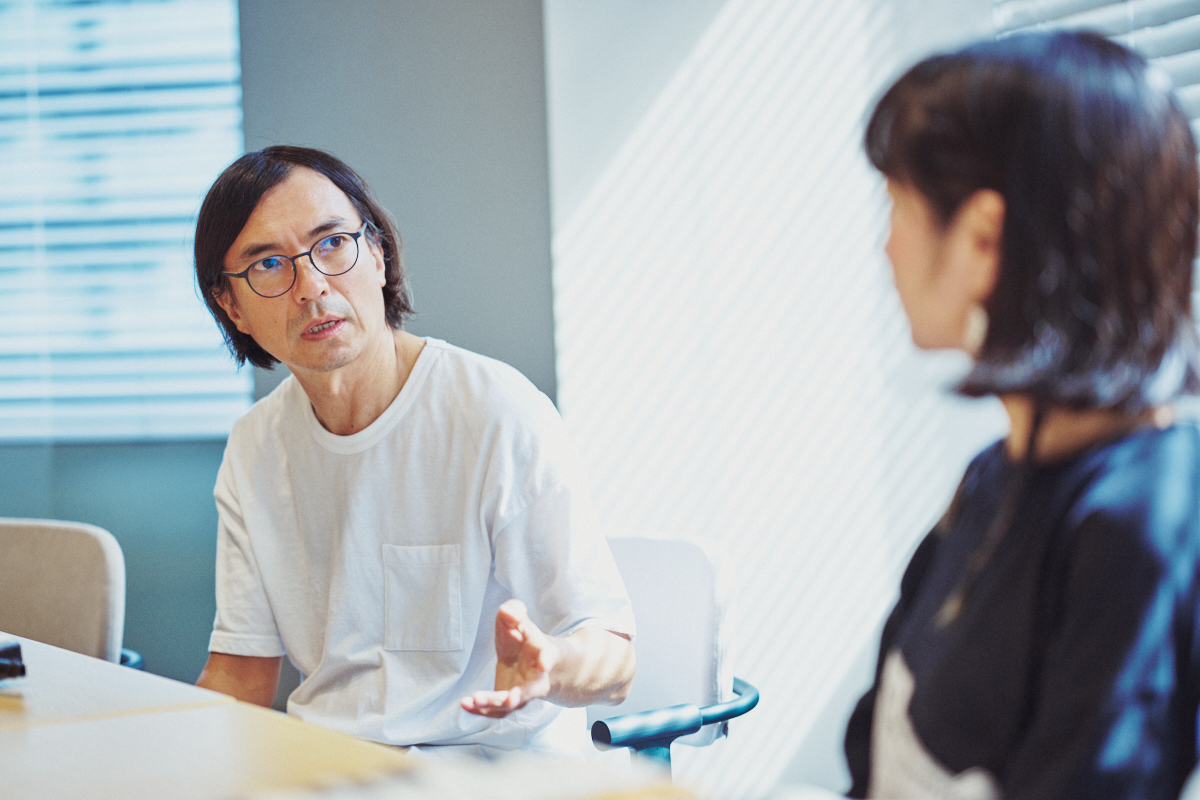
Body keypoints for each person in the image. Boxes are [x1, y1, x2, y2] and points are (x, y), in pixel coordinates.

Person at [845, 31, 1200, 799]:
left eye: (899, 207)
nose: (887, 247)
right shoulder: (992, 477)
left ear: (983, 239)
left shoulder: (1143, 518)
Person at [190, 145, 636, 758]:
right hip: (331, 770)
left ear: (377, 254)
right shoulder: (255, 446)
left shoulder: (495, 410)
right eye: (267, 264)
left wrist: (551, 663)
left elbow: (613, 656)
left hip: (484, 768)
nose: (312, 286)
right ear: (230, 305)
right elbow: (240, 677)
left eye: (332, 244)